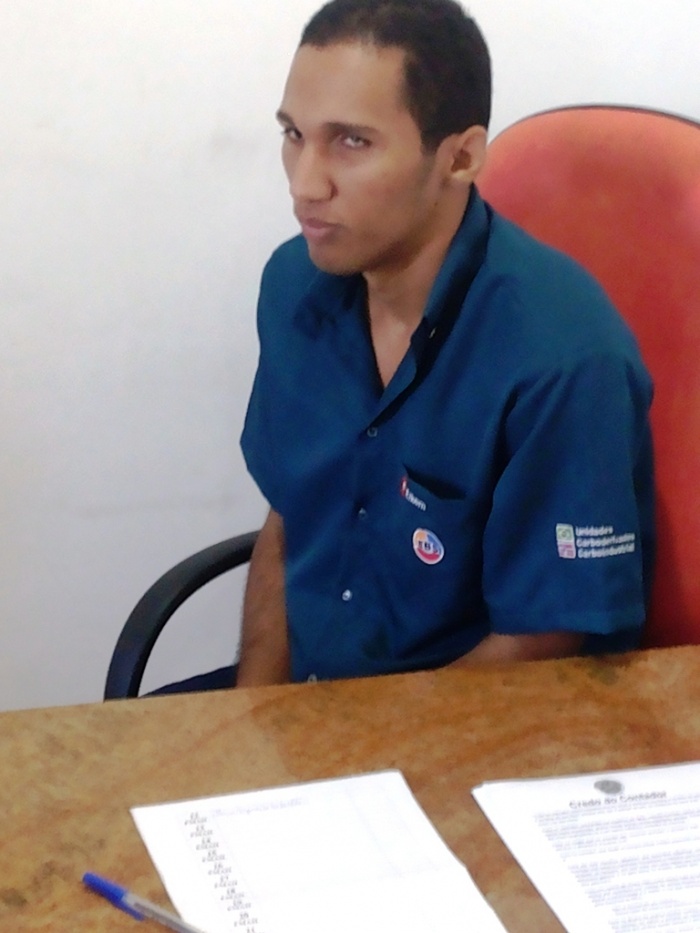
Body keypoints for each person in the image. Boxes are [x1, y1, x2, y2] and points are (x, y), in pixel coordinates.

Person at [157, 0, 654, 695]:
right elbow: (291, 514)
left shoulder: (565, 357)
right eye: (294, 134)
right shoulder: (295, 284)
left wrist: (340, 748)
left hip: (476, 717)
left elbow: (542, 644)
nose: (304, 183)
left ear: (460, 157)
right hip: (312, 698)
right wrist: (257, 713)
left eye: (351, 142)